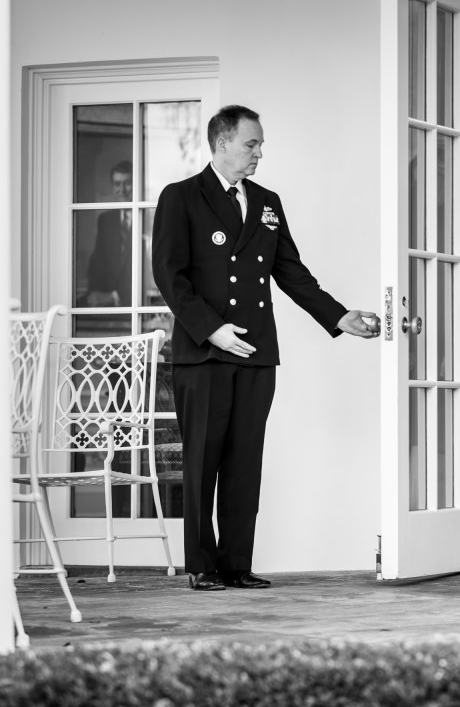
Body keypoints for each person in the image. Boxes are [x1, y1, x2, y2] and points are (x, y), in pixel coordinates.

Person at [152, 105, 379, 592]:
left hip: (256, 352)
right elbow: (170, 276)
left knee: (244, 461)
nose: (259, 152)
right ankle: (202, 566)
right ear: (221, 143)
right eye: (251, 144)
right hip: (205, 352)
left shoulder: (268, 202)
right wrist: (212, 330)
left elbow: (291, 273)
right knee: (202, 463)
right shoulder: (181, 197)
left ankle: (235, 564)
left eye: (260, 145)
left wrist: (338, 316)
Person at [84, 159, 134, 307]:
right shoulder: (105, 220)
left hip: (135, 301)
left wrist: (114, 297)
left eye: (127, 183)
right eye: (117, 184)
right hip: (107, 303)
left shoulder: (146, 218)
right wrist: (96, 294)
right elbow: (97, 262)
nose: (122, 189)